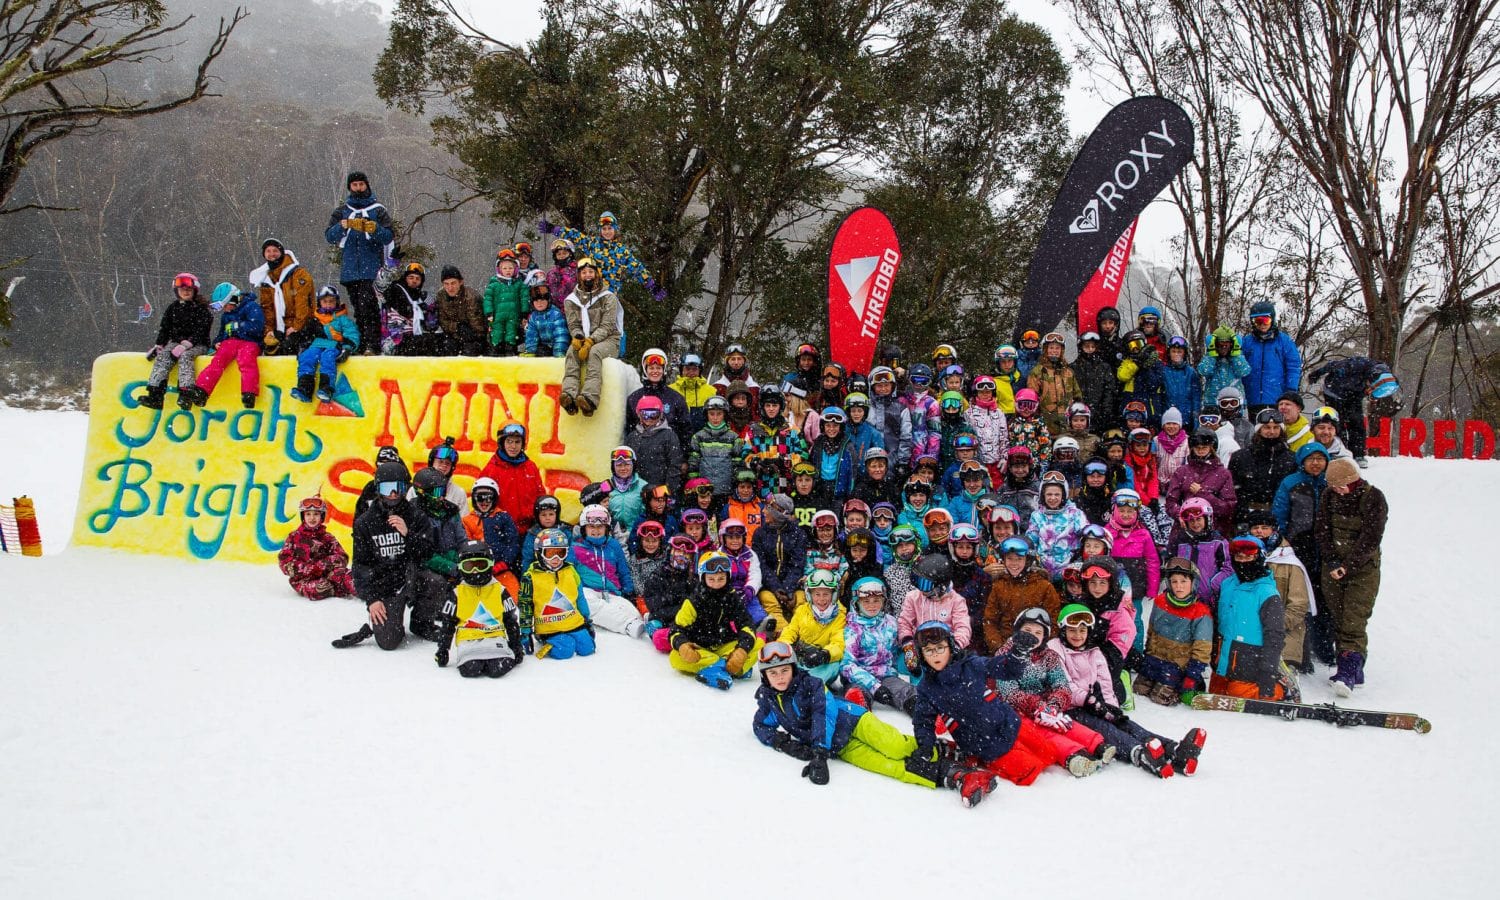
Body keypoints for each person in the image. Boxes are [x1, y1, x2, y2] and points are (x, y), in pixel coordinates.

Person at [754, 640, 975, 796]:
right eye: (773, 673)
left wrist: (819, 751)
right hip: (841, 747)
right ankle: (951, 775)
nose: (780, 677)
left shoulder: (811, 685)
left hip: (854, 720)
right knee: (887, 766)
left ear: (793, 668)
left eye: (784, 670)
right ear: (765, 677)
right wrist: (784, 744)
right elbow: (760, 725)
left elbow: (825, 714)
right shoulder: (770, 701)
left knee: (895, 746)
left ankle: (943, 750)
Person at [911, 620, 1092, 806]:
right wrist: (925, 747)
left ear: (951, 647)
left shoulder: (971, 664)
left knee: (1049, 754)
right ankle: (982, 761)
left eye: (940, 647)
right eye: (929, 650)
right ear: (922, 655)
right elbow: (923, 721)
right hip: (984, 744)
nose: (936, 655)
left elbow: (1005, 669)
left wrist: (1018, 654)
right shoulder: (927, 688)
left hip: (1009, 723)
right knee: (1030, 772)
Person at [1050, 603, 1207, 777]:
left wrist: (1111, 707)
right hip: (1069, 709)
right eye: (1072, 630)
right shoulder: (1055, 649)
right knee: (1104, 728)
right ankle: (1141, 753)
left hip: (1092, 702)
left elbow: (1105, 682)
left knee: (1123, 723)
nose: (1078, 636)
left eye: (1082, 630)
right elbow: (1064, 685)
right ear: (1063, 629)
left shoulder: (1093, 650)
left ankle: (1174, 750)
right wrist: (1090, 701)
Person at [991, 609, 1112, 772]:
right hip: (1015, 711)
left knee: (1064, 723)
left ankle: (1096, 744)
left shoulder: (1048, 656)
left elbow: (1061, 684)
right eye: (1027, 631)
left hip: (1046, 706)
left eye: (1038, 632)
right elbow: (1009, 691)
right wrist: (1037, 708)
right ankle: (1073, 754)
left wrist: (1053, 706)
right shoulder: (1005, 655)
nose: (1032, 636)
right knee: (1041, 733)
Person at [335, 461, 434, 651]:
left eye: (399, 487)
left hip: (413, 577)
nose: (393, 493)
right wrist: (372, 599)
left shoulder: (416, 515)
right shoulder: (366, 522)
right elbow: (361, 565)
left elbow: (428, 552)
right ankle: (391, 621)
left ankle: (421, 622)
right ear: (378, 490)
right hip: (386, 585)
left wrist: (408, 535)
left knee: (435, 581)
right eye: (388, 488)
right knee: (388, 642)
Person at [1317, 458, 1387, 695]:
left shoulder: (1373, 497)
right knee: (1338, 616)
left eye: (1340, 486)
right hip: (1334, 567)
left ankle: (1347, 670)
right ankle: (1352, 666)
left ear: (1352, 481)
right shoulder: (1328, 496)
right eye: (1333, 486)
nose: (1337, 490)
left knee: (1354, 619)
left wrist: (1348, 565)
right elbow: (1322, 529)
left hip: (1363, 569)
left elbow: (1371, 537)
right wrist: (1333, 561)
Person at [669, 550, 762, 688]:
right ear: (703, 578)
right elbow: (676, 628)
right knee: (675, 658)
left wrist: (742, 650)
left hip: (723, 645)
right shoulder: (694, 601)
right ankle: (728, 668)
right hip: (700, 648)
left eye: (721, 579)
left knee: (758, 643)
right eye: (711, 579)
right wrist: (682, 645)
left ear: (728, 577)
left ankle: (718, 667)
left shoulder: (732, 598)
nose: (716, 584)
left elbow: (746, 624)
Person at [323, 172, 393, 354]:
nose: (358, 188)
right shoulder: (342, 211)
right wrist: (342, 226)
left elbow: (389, 236)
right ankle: (362, 343)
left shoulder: (378, 210)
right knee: (359, 309)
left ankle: (372, 344)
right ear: (350, 187)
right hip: (350, 269)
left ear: (367, 185)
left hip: (371, 268)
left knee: (369, 307)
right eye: (354, 185)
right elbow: (330, 236)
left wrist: (375, 229)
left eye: (361, 184)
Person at [1212, 536, 1289, 699]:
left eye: (1249, 557)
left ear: (1259, 558)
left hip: (1250, 660)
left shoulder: (1267, 593)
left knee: (1236, 693)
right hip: (1224, 657)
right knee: (1216, 692)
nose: (1243, 562)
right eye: (1239, 557)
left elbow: (1274, 635)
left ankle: (1281, 690)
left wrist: (1268, 672)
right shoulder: (1227, 585)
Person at [434, 541, 525, 678]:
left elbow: (510, 620)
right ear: (461, 568)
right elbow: (448, 624)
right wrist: (443, 649)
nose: (475, 572)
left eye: (481, 565)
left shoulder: (499, 590)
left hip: (494, 637)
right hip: (468, 640)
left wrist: (516, 645)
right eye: (469, 566)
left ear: (490, 565)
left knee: (497, 669)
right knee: (471, 669)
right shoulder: (457, 593)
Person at [1245, 509, 1318, 674]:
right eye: (1255, 527)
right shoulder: (1241, 557)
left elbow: (1299, 604)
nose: (1259, 531)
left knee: (1273, 669)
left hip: (1282, 628)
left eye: (1265, 527)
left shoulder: (1289, 562)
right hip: (1248, 626)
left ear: (1274, 530)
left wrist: (1275, 624)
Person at [1134, 557, 1214, 707]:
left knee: (1160, 697)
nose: (1179, 586)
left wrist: (1192, 674)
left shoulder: (1201, 612)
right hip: (1155, 659)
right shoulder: (1160, 602)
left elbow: (1202, 647)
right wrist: (1148, 654)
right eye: (1174, 581)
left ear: (1193, 583)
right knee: (1139, 689)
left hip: (1178, 664)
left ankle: (1189, 688)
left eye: (1184, 581)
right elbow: (1152, 630)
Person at [540, 210, 666, 299]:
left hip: (610, 294)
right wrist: (555, 229)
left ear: (615, 230)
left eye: (610, 229)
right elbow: (576, 236)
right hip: (591, 292)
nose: (607, 232)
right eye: (604, 229)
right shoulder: (593, 244)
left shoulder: (621, 251)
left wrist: (651, 285)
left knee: (610, 327)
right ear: (600, 230)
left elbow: (637, 268)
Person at [138, 273, 214, 410]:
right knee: (163, 358)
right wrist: (159, 345)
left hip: (198, 344)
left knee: (185, 357)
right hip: (175, 342)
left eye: (189, 290)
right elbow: (165, 328)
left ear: (194, 291)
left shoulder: (202, 309)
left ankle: (185, 394)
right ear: (177, 291)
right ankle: (155, 395)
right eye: (182, 290)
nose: (185, 292)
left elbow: (202, 331)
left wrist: (187, 344)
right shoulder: (173, 308)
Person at [519, 528, 597, 660]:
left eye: (560, 553)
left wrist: (586, 619)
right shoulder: (530, 577)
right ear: (539, 553)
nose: (556, 558)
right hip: (549, 627)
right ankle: (547, 641)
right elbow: (525, 606)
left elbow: (580, 596)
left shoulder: (570, 570)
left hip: (573, 622)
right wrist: (526, 632)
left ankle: (570, 637)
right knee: (564, 651)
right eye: (550, 553)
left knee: (588, 648)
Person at [569, 504, 646, 638]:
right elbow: (568, 574)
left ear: (607, 528)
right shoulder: (575, 548)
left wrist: (628, 590)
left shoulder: (613, 545)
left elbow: (623, 571)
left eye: (600, 527)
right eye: (591, 527)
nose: (596, 531)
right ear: (584, 528)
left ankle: (606, 617)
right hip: (588, 591)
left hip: (611, 593)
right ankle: (626, 625)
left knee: (633, 613)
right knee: (587, 603)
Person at [559, 257, 622, 415]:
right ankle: (569, 396)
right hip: (584, 338)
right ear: (579, 276)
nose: (588, 275)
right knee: (571, 353)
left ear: (597, 274)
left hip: (608, 340)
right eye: (584, 272)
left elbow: (607, 326)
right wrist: (578, 337)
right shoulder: (571, 300)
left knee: (594, 353)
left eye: (590, 272)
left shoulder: (608, 297)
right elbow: (573, 324)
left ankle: (590, 398)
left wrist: (590, 341)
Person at [982, 536, 1061, 656]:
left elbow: (1053, 622)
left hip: (1035, 650)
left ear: (1028, 560)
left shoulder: (1044, 587)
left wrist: (1037, 648)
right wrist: (998, 647)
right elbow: (990, 621)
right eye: (1010, 559)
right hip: (1004, 650)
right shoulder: (999, 585)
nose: (1014, 564)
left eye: (1019, 559)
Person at [194, 281, 265, 410]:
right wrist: (216, 343)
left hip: (250, 342)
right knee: (218, 362)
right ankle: (202, 390)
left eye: (225, 306)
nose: (225, 309)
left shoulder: (251, 307)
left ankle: (249, 392)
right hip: (230, 343)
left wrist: (238, 326)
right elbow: (222, 333)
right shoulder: (227, 316)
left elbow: (258, 327)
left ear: (233, 299)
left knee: (247, 362)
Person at [1106, 488, 1160, 649]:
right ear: (1114, 511)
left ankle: (1135, 652)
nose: (1126, 514)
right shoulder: (1107, 532)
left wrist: (1153, 587)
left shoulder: (1143, 534)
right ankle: (1114, 650)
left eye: (1130, 511)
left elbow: (1152, 561)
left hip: (1135, 588)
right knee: (1113, 619)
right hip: (1113, 588)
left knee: (1134, 620)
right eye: (1122, 511)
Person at [896, 554, 972, 665]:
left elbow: (963, 627)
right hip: (922, 648)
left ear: (941, 586)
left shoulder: (956, 601)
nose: (920, 589)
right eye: (917, 582)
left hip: (945, 648)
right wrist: (908, 644)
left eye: (925, 584)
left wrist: (955, 646)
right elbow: (904, 623)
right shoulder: (913, 597)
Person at [1228, 408, 1298, 528]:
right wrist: (1241, 517)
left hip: (1280, 517)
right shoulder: (1241, 457)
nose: (1271, 432)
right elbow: (1234, 491)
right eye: (1267, 427)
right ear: (1259, 430)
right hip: (1247, 517)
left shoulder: (1291, 459)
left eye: (1276, 427)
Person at [250, 237, 317, 358]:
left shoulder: (298, 274)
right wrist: (269, 330)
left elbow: (302, 304)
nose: (272, 254)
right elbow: (267, 307)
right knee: (270, 348)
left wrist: (296, 327)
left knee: (290, 346)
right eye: (268, 251)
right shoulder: (266, 279)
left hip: (302, 325)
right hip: (279, 326)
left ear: (281, 252)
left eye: (275, 251)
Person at [290, 286, 359, 403]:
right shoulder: (315, 320)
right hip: (316, 345)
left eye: (331, 302)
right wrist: (301, 345)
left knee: (327, 358)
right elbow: (306, 334)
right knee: (307, 357)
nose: (328, 305)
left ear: (336, 302)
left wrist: (347, 348)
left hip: (334, 345)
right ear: (319, 303)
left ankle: (326, 388)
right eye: (325, 302)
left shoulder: (342, 319)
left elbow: (352, 334)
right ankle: (305, 389)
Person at [752, 494, 807, 638]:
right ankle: (785, 633)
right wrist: (776, 588)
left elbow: (797, 564)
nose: (763, 512)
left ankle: (804, 632)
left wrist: (788, 589)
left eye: (767, 509)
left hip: (793, 585)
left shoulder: (797, 533)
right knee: (769, 600)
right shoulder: (760, 533)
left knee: (801, 600)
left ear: (777, 513)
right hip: (768, 585)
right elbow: (761, 564)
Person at [278, 496, 355, 600]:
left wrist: (323, 565)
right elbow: (284, 561)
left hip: (328, 574)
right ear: (303, 516)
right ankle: (337, 588)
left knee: (351, 577)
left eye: (316, 514)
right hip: (304, 579)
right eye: (308, 514)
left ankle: (367, 591)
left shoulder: (327, 537)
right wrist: (307, 569)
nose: (312, 518)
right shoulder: (294, 537)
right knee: (320, 588)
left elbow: (342, 557)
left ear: (322, 516)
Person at [778, 568, 846, 684]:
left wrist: (824, 654)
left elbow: (839, 644)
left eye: (826, 594)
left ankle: (810, 684)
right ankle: (790, 681)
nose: (821, 599)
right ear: (809, 595)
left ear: (833, 595)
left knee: (834, 664)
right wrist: (787, 645)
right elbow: (790, 631)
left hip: (822, 663)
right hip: (802, 658)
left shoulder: (840, 616)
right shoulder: (802, 610)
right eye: (817, 594)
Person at [476, 421, 545, 534]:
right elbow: (481, 503)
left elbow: (540, 495)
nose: (513, 446)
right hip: (501, 530)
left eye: (517, 442)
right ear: (502, 443)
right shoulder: (491, 469)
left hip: (530, 530)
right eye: (509, 441)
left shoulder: (530, 467)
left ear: (523, 444)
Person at [1164, 427, 1237, 526]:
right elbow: (1170, 502)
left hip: (1214, 528)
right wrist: (1180, 515)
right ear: (1192, 448)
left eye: (1204, 447)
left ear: (1212, 448)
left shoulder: (1223, 474)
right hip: (1186, 525)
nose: (1201, 451)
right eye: (1197, 447)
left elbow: (1228, 508)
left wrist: (1202, 493)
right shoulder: (1182, 471)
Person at [1240, 300, 1303, 414]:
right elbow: (1239, 367)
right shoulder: (1247, 342)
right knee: (1255, 430)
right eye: (1257, 321)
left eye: (1266, 320)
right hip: (1251, 398)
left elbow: (1293, 366)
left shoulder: (1283, 341)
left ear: (1272, 319)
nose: (1262, 324)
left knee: (1275, 429)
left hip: (1277, 398)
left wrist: (1291, 390)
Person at [1166, 497, 1232, 601]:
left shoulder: (1218, 542)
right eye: (1191, 520)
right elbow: (1171, 565)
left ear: (1207, 519)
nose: (1195, 524)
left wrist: (1213, 585)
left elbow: (1228, 568)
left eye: (1199, 519)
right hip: (1183, 596)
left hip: (1209, 598)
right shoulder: (1180, 541)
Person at [1027, 476, 1089, 580]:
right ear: (1043, 496)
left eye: (1057, 494)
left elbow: (1086, 535)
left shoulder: (1075, 514)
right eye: (1049, 494)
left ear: (1063, 495)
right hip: (1043, 571)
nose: (1053, 498)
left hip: (1069, 571)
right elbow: (1031, 541)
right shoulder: (1037, 516)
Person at [643, 534, 698, 651]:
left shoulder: (693, 579)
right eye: (678, 551)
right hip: (664, 621)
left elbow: (697, 606)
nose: (681, 556)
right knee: (659, 638)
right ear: (670, 551)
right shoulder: (657, 576)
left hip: (685, 623)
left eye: (686, 554)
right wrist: (680, 608)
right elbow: (656, 608)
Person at [626, 347, 691, 440]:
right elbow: (629, 429)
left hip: (669, 451)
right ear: (645, 370)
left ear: (663, 370)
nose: (655, 371)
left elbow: (685, 430)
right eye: (651, 368)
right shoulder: (634, 398)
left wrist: (680, 452)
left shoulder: (676, 398)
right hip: (641, 450)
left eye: (658, 368)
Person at [626, 395, 685, 494]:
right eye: (645, 414)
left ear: (661, 415)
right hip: (636, 489)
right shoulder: (633, 436)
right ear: (639, 415)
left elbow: (675, 465)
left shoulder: (668, 435)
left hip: (660, 489)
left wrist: (668, 490)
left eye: (654, 414)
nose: (649, 418)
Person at [1026, 332, 1080, 435]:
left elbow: (1077, 397)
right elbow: (1032, 400)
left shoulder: (1068, 372)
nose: (1054, 351)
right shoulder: (1037, 372)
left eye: (1057, 348)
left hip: (1067, 427)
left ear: (1061, 351)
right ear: (1045, 350)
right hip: (1046, 426)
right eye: (1051, 348)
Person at [462, 476, 521, 569]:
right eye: (480, 497)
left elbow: (513, 543)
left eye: (489, 497)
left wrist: (504, 563)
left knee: (512, 584)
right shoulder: (467, 520)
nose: (484, 502)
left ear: (495, 499)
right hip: (477, 568)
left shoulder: (503, 517)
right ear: (474, 498)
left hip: (501, 567)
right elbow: (465, 546)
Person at [381, 261, 439, 355]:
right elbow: (380, 287)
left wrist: (429, 311)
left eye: (417, 278)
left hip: (415, 338)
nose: (414, 281)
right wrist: (390, 265)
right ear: (405, 278)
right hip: (394, 339)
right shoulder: (394, 290)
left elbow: (431, 326)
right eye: (411, 277)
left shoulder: (422, 297)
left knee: (433, 343)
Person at [433, 266, 488, 356]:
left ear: (461, 282)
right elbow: (442, 321)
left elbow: (479, 327)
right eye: (446, 284)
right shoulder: (440, 296)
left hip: (474, 337)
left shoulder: (471, 297)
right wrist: (457, 327)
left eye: (453, 283)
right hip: (453, 335)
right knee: (446, 347)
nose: (450, 288)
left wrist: (470, 333)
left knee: (470, 350)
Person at [1117, 330, 1169, 425]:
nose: (1136, 348)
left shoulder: (1155, 362)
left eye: (1139, 344)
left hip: (1150, 404)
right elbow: (1123, 376)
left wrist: (1146, 367)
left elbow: (1154, 384)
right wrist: (1137, 363)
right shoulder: (1128, 362)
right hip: (1132, 403)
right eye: (1132, 346)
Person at [483, 247, 529, 355]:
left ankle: (510, 352)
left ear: (515, 269)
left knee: (511, 335)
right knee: (497, 334)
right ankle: (495, 351)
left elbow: (524, 298)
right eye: (505, 268)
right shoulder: (493, 284)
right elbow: (488, 299)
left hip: (513, 317)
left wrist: (524, 313)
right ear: (499, 269)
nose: (508, 271)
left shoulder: (519, 284)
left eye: (510, 268)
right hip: (497, 317)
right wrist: (489, 312)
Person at [1072, 332, 1119, 433]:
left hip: (1099, 414)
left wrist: (1106, 411)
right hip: (1079, 415)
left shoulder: (1104, 367)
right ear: (1081, 348)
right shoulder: (1073, 368)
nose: (1090, 350)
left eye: (1093, 347)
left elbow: (1109, 390)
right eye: (1087, 346)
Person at [1198, 325, 1250, 405]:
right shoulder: (1210, 358)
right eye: (1220, 345)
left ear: (1232, 344)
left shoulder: (1236, 358)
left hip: (1234, 404)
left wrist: (1235, 354)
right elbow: (1204, 371)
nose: (1223, 348)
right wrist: (1212, 354)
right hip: (1213, 403)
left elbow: (1244, 371)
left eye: (1227, 345)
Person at [521, 279, 568, 357]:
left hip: (557, 346)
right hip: (545, 347)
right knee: (540, 352)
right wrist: (531, 351)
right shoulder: (533, 317)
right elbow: (531, 335)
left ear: (548, 300)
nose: (539, 303)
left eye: (542, 300)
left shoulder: (555, 314)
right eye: (536, 301)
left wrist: (559, 352)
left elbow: (561, 335)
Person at [1161, 336, 1201, 423]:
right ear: (1169, 353)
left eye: (1179, 352)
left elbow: (1196, 397)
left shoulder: (1190, 372)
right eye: (1173, 351)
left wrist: (1195, 416)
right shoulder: (1163, 371)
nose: (1176, 354)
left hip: (1186, 418)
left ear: (1184, 353)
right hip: (1168, 418)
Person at [671, 353, 715, 433]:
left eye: (694, 369)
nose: (691, 372)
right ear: (682, 370)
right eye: (687, 369)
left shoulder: (711, 391)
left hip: (703, 439)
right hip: (677, 438)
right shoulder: (671, 390)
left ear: (700, 371)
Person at [1007, 388, 1051, 463]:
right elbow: (1007, 442)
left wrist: (1044, 463)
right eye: (1022, 405)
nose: (1026, 409)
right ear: (1016, 405)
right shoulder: (1012, 422)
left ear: (1036, 406)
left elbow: (1045, 445)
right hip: (1015, 462)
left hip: (1034, 462)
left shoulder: (1039, 423)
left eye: (1030, 406)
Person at [545, 238, 578, 312]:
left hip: (575, 308)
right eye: (559, 254)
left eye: (564, 253)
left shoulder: (577, 270)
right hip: (557, 311)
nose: (561, 256)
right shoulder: (552, 273)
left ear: (570, 254)